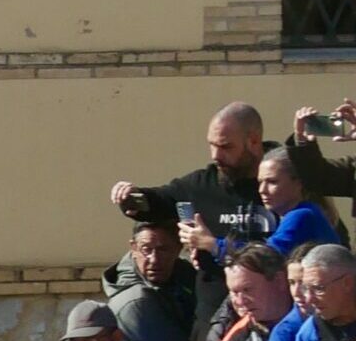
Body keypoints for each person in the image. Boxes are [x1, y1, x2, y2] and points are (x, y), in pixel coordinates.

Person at [112, 101, 356, 246]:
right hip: (220, 311)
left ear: (253, 141)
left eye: (226, 147)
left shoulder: (295, 189)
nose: (216, 156)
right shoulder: (201, 186)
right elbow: (160, 202)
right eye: (212, 145)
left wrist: (212, 245)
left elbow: (269, 258)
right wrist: (131, 198)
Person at [104, 221, 200, 341]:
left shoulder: (185, 275)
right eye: (146, 249)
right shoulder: (136, 303)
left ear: (178, 248)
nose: (154, 259)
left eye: (163, 249)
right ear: (134, 248)